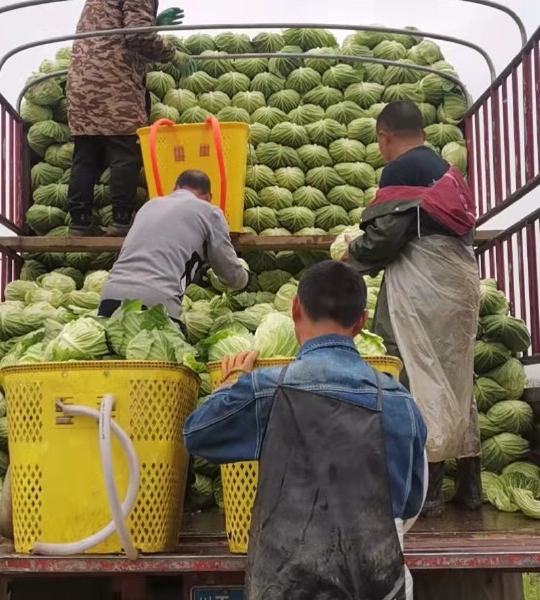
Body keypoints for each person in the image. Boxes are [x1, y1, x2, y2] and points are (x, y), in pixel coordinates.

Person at [184, 260, 427, 600]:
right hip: (376, 589)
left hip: (284, 589)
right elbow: (411, 502)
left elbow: (198, 434)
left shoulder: (266, 390)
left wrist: (230, 384)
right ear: (361, 321)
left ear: (295, 307)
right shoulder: (401, 403)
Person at [343, 100, 481, 518]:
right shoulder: (445, 170)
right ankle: (471, 486)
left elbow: (386, 236)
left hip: (427, 284)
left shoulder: (401, 169)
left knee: (422, 377)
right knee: (456, 379)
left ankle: (432, 490)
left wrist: (349, 258)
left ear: (384, 136)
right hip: (459, 281)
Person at [66, 0, 193, 237]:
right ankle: (121, 221)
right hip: (114, 82)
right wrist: (172, 55)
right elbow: (137, 35)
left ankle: (79, 222)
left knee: (85, 155)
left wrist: (153, 23)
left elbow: (114, 27)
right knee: (125, 152)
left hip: (81, 80)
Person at [98, 170, 254, 324]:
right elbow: (227, 271)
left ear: (175, 188)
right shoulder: (210, 212)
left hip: (110, 297)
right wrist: (245, 280)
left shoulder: (149, 206)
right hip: (156, 304)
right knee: (164, 349)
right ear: (208, 197)